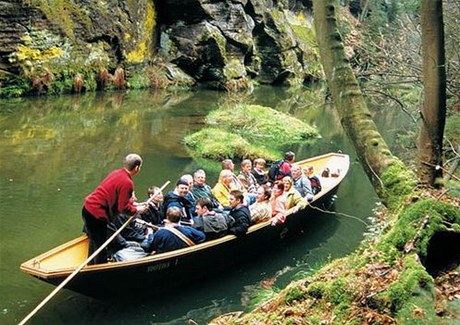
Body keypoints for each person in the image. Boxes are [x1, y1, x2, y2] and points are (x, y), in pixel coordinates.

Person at [82, 153, 147, 264]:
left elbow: (116, 199)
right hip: (96, 215)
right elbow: (122, 208)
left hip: (87, 209)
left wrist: (135, 204)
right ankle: (98, 271)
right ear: (136, 168)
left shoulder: (116, 173)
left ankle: (90, 265)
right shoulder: (128, 182)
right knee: (101, 246)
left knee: (95, 241)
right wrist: (137, 210)